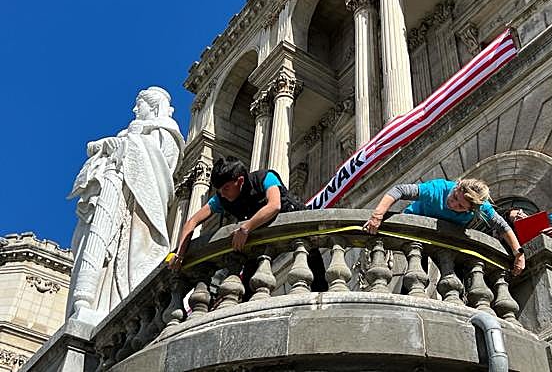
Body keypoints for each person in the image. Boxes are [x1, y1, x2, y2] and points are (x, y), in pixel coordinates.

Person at [67, 87, 184, 321]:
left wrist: (123, 146)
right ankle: (93, 302)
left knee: (128, 255)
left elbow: (162, 169)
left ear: (152, 106)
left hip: (137, 204)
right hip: (116, 194)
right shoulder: (132, 134)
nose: (134, 109)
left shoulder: (165, 132)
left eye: (138, 104)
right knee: (99, 254)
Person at [168, 157, 327, 295]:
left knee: (317, 278)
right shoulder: (221, 199)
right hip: (261, 238)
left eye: (226, 188)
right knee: (248, 285)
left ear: (240, 181)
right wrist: (180, 254)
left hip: (295, 226)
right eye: (220, 190)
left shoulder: (266, 177)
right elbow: (192, 221)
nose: (222, 194)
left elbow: (275, 205)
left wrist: (246, 227)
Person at [363, 178, 526, 276]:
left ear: (471, 210)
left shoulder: (482, 209)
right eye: (455, 196)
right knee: (418, 269)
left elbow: (502, 226)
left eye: (460, 206)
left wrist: (519, 254)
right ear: (456, 187)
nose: (452, 203)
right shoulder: (437, 188)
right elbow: (399, 190)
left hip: (444, 235)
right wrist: (377, 216)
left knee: (453, 272)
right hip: (417, 226)